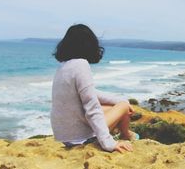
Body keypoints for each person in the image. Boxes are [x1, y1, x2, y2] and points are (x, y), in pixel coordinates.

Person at [50, 24, 138, 153]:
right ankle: (125, 136)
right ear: (89, 44)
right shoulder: (81, 65)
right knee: (123, 106)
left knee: (116, 105)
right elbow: (92, 107)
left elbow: (91, 93)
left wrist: (118, 100)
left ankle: (125, 133)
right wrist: (108, 144)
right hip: (80, 138)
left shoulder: (63, 67)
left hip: (65, 136)